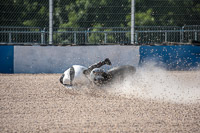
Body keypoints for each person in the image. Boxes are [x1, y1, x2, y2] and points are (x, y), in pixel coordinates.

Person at [60, 58, 136, 87]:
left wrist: (103, 62)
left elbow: (91, 68)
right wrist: (103, 62)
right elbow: (91, 68)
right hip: (81, 77)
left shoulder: (80, 74)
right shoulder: (80, 73)